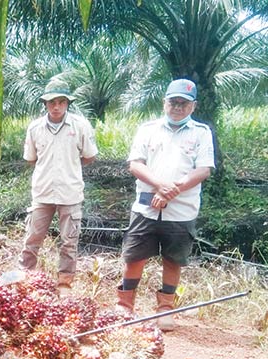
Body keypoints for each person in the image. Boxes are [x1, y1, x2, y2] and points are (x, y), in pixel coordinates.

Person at [117, 79, 215, 331]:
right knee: (135, 256)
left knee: (173, 260)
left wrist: (172, 191)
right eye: (173, 102)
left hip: (181, 210)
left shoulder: (201, 133)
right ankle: (125, 306)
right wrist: (160, 185)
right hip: (146, 207)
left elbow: (203, 170)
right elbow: (135, 164)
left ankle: (165, 309)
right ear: (165, 103)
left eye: (184, 103)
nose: (178, 107)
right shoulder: (148, 129)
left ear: (193, 106)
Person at [18, 79, 98, 294]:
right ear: (45, 103)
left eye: (61, 102)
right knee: (33, 238)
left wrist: (69, 167)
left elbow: (89, 156)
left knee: (69, 242)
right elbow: (31, 158)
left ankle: (64, 283)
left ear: (67, 104)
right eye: (52, 102)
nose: (56, 107)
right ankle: (26, 278)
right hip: (42, 192)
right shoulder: (35, 128)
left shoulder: (80, 126)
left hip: (70, 193)